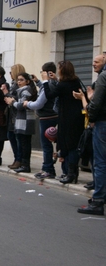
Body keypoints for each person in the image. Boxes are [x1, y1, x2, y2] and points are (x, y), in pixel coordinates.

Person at [43, 60, 85, 184]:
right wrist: (56, 80)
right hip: (77, 118)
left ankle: (70, 174)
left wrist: (45, 81)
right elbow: (62, 89)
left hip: (67, 119)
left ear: (63, 70)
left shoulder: (63, 85)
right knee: (73, 145)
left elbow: (50, 95)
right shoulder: (75, 81)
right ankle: (72, 173)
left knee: (69, 146)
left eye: (59, 68)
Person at [77, 58, 106, 215]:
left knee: (100, 162)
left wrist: (92, 117)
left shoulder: (104, 76)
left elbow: (97, 102)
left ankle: (98, 200)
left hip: (102, 123)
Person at [23, 62, 59, 179]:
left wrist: (27, 103)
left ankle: (48, 169)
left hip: (47, 117)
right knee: (48, 145)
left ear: (47, 73)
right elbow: (47, 91)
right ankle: (47, 167)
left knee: (46, 145)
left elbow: (40, 103)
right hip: (52, 116)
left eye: (42, 72)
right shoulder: (53, 83)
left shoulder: (49, 84)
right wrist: (38, 81)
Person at [5, 73, 38, 173]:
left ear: (27, 81)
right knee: (21, 142)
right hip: (20, 120)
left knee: (24, 143)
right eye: (18, 80)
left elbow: (20, 106)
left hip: (26, 120)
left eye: (21, 80)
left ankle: (25, 165)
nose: (18, 82)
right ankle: (23, 164)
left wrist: (12, 102)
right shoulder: (21, 90)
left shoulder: (27, 91)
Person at [2, 64, 25, 169]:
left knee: (16, 138)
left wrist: (6, 93)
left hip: (15, 115)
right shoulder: (13, 84)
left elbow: (15, 99)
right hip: (11, 115)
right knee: (12, 136)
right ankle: (17, 159)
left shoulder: (18, 86)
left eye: (11, 72)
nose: (10, 74)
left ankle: (18, 159)